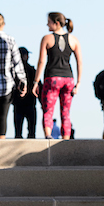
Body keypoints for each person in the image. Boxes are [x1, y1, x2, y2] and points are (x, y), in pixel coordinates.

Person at [32, 12, 82, 140]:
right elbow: (79, 61)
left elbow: (41, 61)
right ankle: (65, 138)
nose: (47, 24)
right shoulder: (73, 39)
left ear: (57, 23)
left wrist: (36, 81)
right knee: (65, 112)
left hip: (52, 78)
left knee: (48, 110)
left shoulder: (47, 38)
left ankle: (48, 135)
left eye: (49, 21)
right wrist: (78, 82)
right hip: (68, 78)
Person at [13, 46, 37, 138]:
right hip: (30, 103)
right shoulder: (32, 70)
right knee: (31, 131)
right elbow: (39, 87)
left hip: (18, 103)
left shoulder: (14, 71)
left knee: (18, 131)